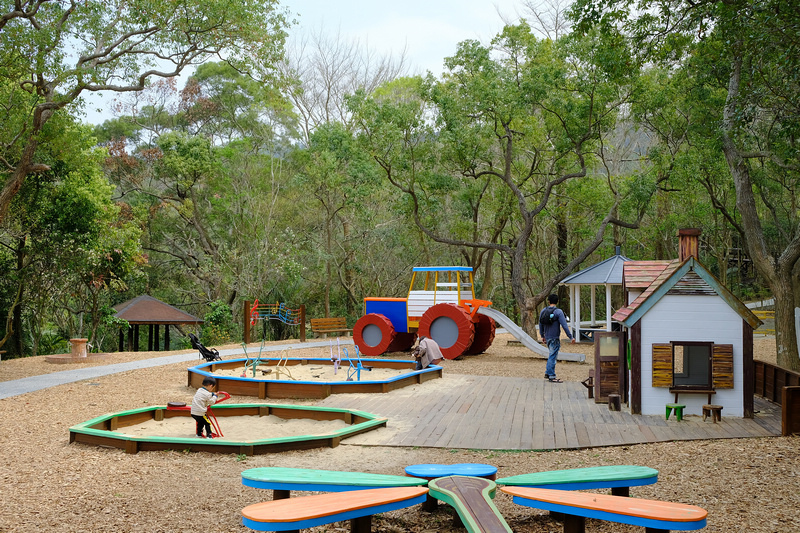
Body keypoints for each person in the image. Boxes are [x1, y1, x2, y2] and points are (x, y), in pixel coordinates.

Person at [538, 294, 575, 383]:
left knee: (551, 354)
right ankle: (551, 375)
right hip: (554, 337)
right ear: (557, 301)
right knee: (553, 356)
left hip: (547, 336)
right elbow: (564, 325)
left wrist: (542, 335)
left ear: (549, 301)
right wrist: (570, 337)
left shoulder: (543, 311)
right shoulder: (558, 312)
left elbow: (540, 323)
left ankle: (547, 373)